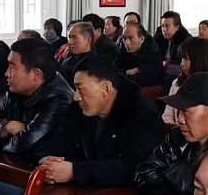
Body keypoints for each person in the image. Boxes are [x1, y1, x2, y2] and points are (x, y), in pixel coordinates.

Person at [37, 56, 165, 186]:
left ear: (106, 88)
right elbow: (62, 137)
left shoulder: (142, 113)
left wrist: (75, 172)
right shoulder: (81, 106)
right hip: (86, 188)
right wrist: (49, 160)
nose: (76, 97)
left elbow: (136, 168)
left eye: (80, 88)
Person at [135, 72, 208, 195]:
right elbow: (143, 175)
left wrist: (173, 175)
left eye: (186, 111)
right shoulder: (178, 136)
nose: (180, 119)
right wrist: (193, 192)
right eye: (178, 111)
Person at [0, 38, 75, 159]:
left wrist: (0, 139)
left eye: (12, 67)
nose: (7, 73)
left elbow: (25, 147)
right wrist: (8, 127)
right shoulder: (16, 90)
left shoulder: (59, 99)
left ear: (36, 74)